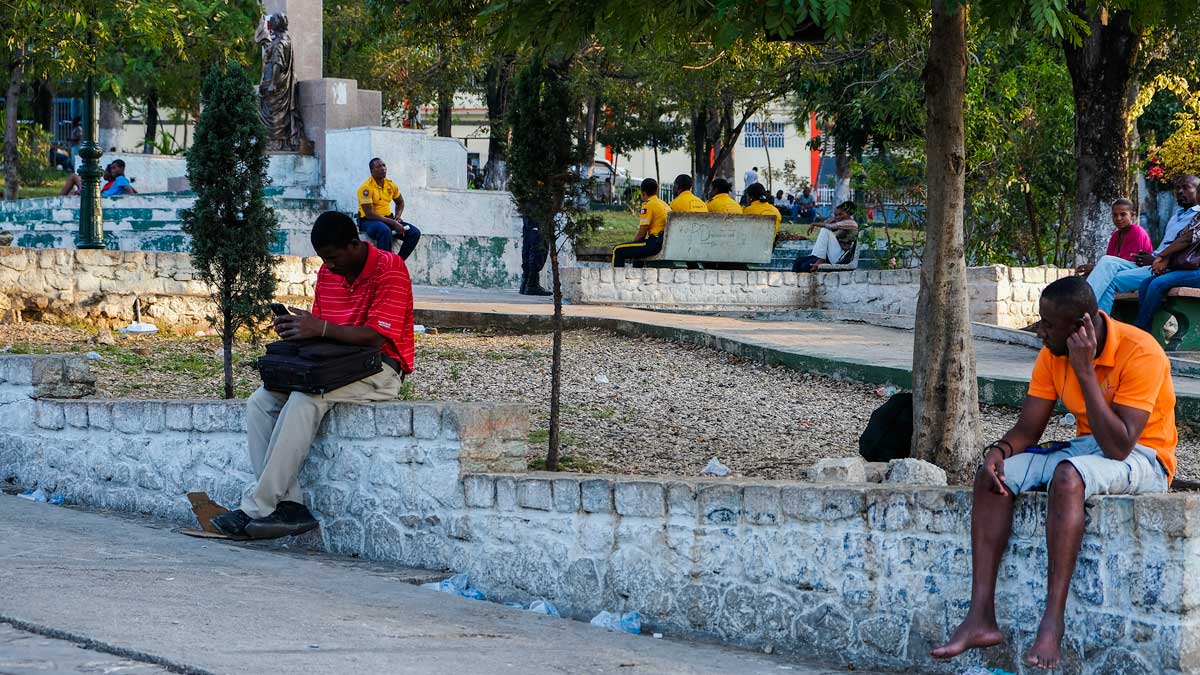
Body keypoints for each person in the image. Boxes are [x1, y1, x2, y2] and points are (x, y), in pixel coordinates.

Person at [932, 276, 1176, 669]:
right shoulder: (1052, 353)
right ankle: (980, 616)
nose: (1040, 331)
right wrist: (998, 451)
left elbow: (1119, 446)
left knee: (1067, 475)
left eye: (1048, 324)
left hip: (1145, 457)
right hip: (1086, 449)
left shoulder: (1141, 351)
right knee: (994, 476)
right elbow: (1029, 430)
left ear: (1080, 326)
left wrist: (1084, 371)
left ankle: (1052, 622)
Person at [210, 211, 415, 540]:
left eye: (333, 258)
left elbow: (377, 337)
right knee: (260, 402)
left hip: (380, 368)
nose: (329, 266)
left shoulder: (391, 269)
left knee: (306, 400)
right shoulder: (328, 272)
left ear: (354, 244)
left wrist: (319, 327)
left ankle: (256, 508)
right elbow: (324, 331)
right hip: (335, 365)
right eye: (323, 259)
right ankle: (290, 506)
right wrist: (300, 328)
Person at [1084, 175, 1200, 313]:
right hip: (1152, 261)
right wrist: (1152, 257)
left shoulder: (1197, 217)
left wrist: (1158, 258)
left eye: (1186, 187)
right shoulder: (1176, 216)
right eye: (1177, 188)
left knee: (1111, 281)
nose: (1180, 191)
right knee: (1107, 261)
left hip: (1166, 266)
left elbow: (1185, 246)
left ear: (1198, 192)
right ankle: (1085, 309)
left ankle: (1086, 314)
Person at [1133, 211, 1200, 332]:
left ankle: (1140, 328)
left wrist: (1162, 256)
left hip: (1197, 271)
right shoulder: (1197, 217)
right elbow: (1179, 240)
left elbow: (1187, 239)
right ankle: (1148, 331)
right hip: (1189, 269)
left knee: (1158, 283)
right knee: (1145, 284)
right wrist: (1166, 259)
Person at [356, 157, 421, 260]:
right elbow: (370, 214)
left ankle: (397, 262)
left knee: (414, 233)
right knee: (384, 230)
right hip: (369, 221)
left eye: (384, 165)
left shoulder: (391, 185)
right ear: (372, 170)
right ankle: (385, 264)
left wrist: (397, 217)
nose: (383, 168)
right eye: (378, 167)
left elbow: (400, 202)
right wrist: (393, 223)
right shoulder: (366, 188)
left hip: (388, 220)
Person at [1075, 199, 1152, 277]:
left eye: (1123, 214)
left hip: (1138, 273)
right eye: (1115, 215)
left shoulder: (1136, 232)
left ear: (1132, 215)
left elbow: (1127, 263)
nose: (1118, 218)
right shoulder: (1115, 236)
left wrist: (1095, 268)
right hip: (1120, 273)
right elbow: (1109, 260)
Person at [612, 178, 667, 268]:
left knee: (617, 250)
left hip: (654, 243)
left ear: (643, 193)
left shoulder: (648, 205)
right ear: (656, 191)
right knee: (637, 253)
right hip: (664, 242)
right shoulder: (664, 204)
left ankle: (616, 280)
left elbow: (642, 234)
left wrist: (632, 244)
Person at [792, 200, 859, 272]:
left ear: (848, 214)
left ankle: (821, 260)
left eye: (840, 214)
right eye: (836, 215)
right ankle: (818, 258)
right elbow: (826, 223)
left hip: (841, 257)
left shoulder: (851, 223)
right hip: (833, 254)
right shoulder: (841, 222)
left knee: (825, 231)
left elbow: (830, 227)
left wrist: (814, 224)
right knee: (798, 262)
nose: (838, 217)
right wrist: (833, 218)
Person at [519, 212, 553, 296]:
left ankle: (526, 282)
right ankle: (531, 284)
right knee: (539, 244)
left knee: (529, 241)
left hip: (528, 207)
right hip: (538, 209)